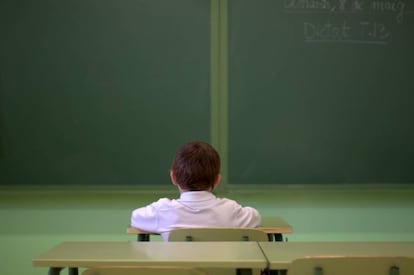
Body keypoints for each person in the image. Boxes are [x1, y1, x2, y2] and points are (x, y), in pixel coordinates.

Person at [130, 140, 261, 241]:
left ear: (173, 177)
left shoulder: (163, 211)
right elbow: (255, 217)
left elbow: (135, 217)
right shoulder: (230, 210)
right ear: (217, 180)